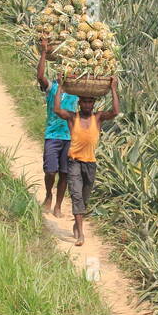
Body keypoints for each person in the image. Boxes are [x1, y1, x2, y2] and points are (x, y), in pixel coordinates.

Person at [51, 78, 119, 246]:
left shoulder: (98, 118)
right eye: (84, 102)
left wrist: (113, 89)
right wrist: (59, 87)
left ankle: (77, 222)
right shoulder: (73, 118)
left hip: (90, 164)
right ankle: (81, 234)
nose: (87, 105)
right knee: (76, 196)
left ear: (93, 103)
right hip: (74, 161)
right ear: (79, 103)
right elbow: (57, 109)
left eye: (90, 102)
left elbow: (116, 112)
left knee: (85, 198)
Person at [36, 47, 78, 217]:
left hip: (70, 138)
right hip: (52, 136)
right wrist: (44, 53)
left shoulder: (77, 93)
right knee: (50, 171)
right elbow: (40, 77)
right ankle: (48, 194)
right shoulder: (52, 88)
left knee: (65, 173)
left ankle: (58, 204)